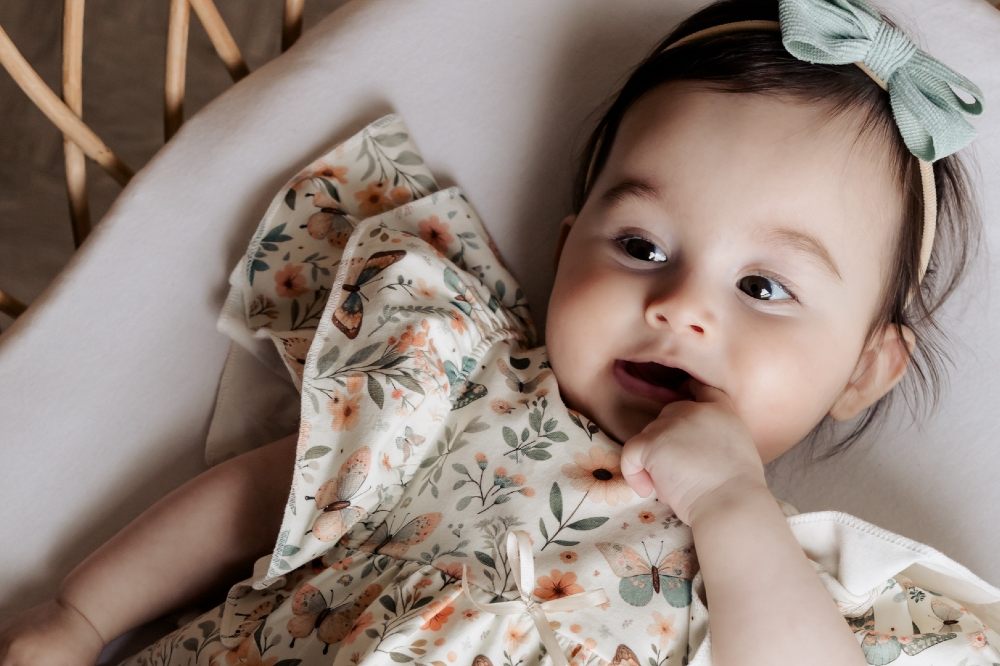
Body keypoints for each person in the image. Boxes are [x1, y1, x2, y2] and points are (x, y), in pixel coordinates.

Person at [2, 0, 997, 664]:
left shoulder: (785, 580)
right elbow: (264, 498)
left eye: (763, 286)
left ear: (865, 369)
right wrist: (80, 615)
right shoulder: (454, 386)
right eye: (642, 246)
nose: (681, 307)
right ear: (566, 251)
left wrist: (733, 505)